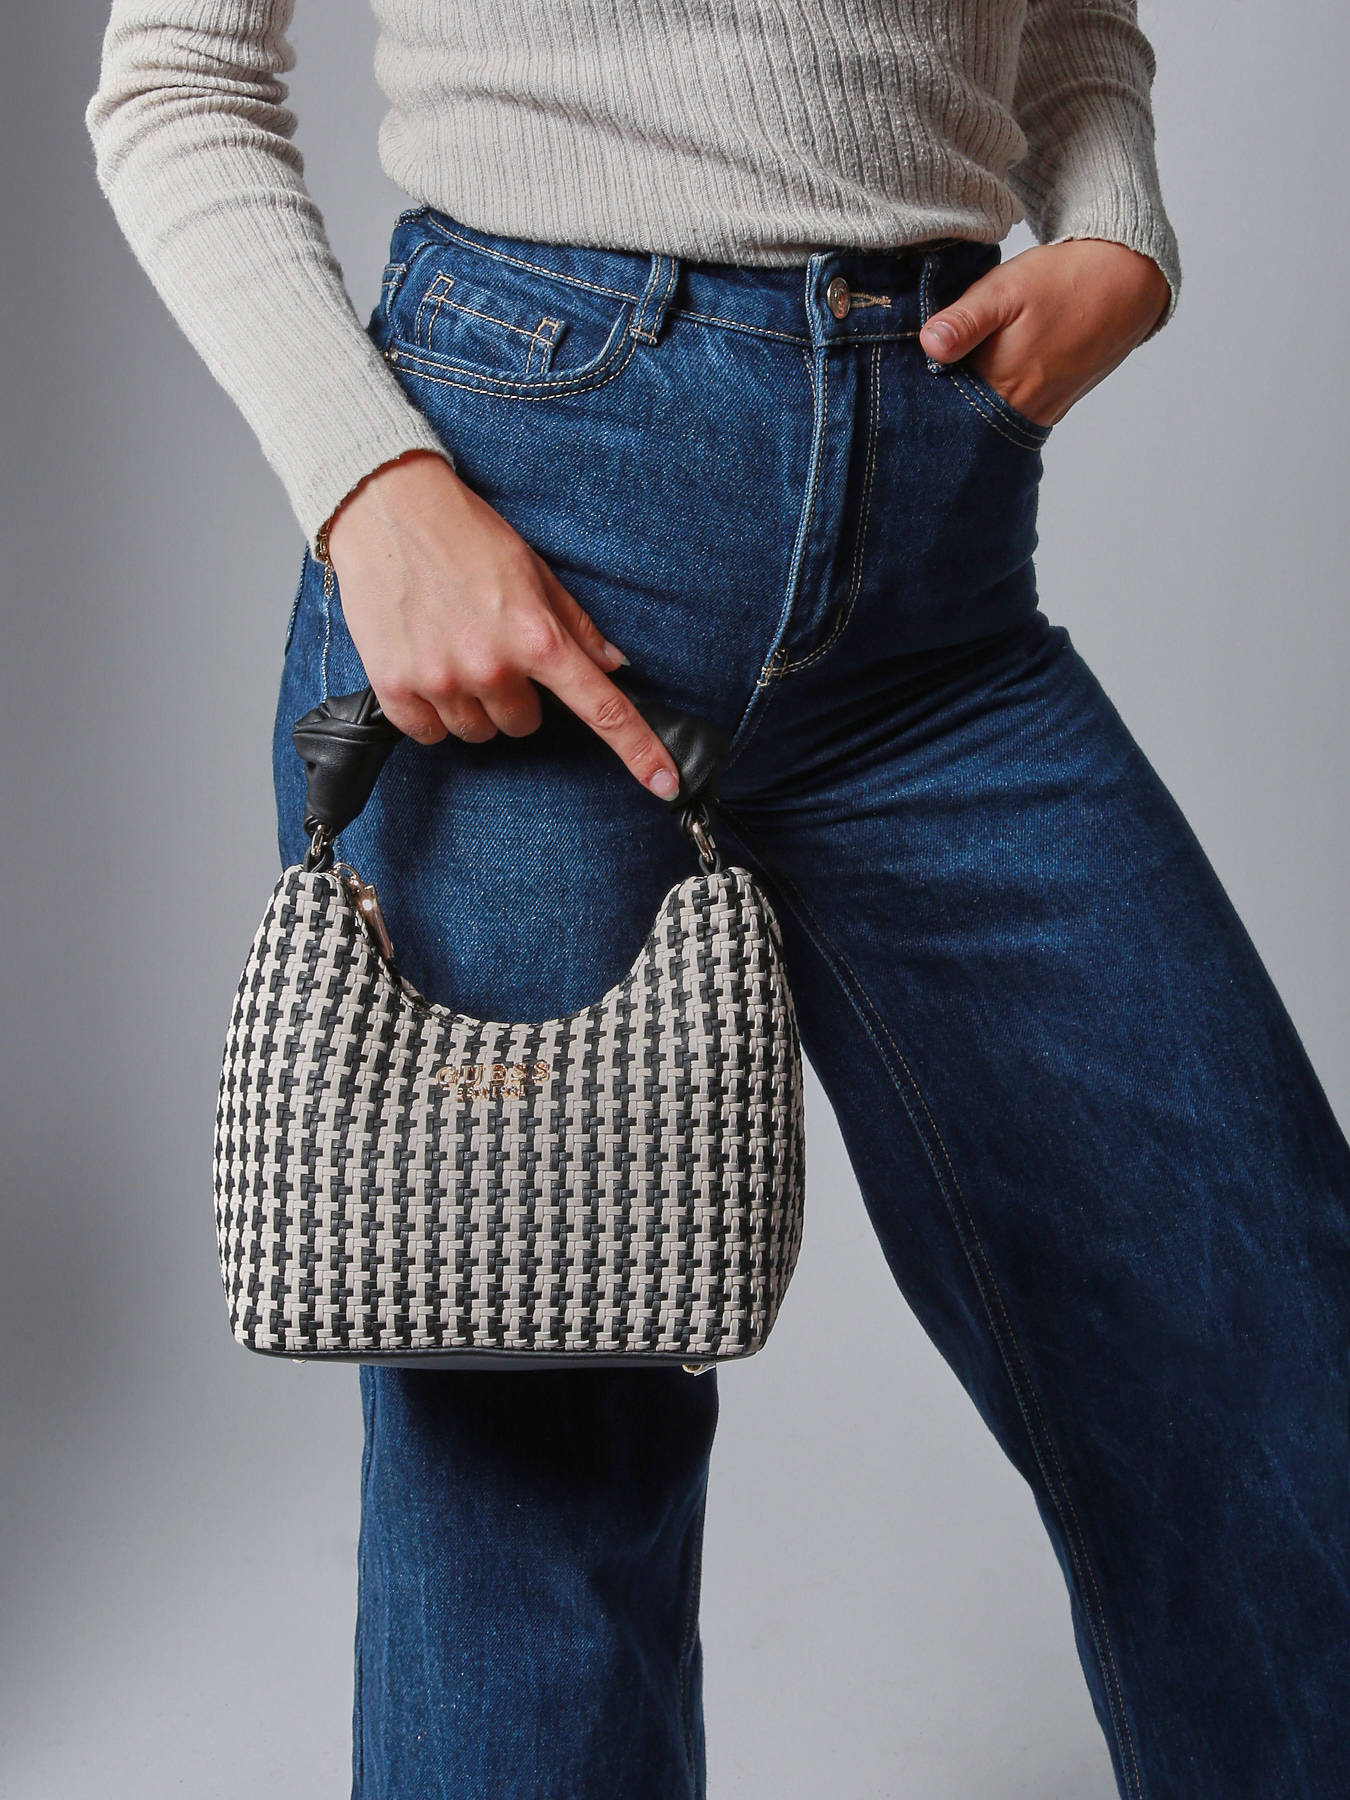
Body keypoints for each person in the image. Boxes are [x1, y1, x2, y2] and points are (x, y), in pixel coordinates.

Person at [84, 5, 1350, 1797]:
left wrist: (1116, 228)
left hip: (939, 591)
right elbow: (176, 81)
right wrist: (370, 485)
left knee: (1261, 1346)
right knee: (535, 1499)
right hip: (527, 542)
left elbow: (1070, 21)